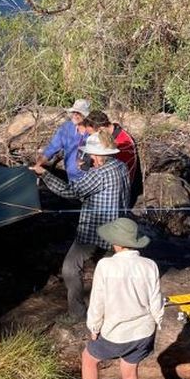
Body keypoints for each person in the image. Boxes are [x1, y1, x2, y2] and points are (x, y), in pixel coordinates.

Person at [32, 130, 130, 319]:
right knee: (111, 275)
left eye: (92, 154)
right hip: (118, 230)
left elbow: (69, 191)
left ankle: (77, 314)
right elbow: (100, 186)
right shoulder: (121, 166)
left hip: (94, 231)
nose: (90, 157)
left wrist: (44, 174)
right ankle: (112, 312)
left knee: (70, 268)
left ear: (99, 155)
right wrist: (87, 168)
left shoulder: (99, 174)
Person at [82, 217, 164, 379]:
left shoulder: (106, 265)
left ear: (116, 243)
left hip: (116, 332)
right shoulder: (150, 265)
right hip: (144, 332)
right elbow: (156, 300)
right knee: (129, 371)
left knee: (89, 359)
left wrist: (94, 327)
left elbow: (98, 300)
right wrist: (158, 323)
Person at [79, 111, 140, 193]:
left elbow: (125, 175)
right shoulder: (106, 137)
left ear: (101, 129)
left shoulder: (124, 142)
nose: (91, 136)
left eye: (92, 134)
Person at [40, 98, 91, 181]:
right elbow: (52, 147)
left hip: (90, 177)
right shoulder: (66, 128)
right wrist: (39, 163)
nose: (75, 115)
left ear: (85, 116)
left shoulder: (92, 130)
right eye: (74, 112)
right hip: (72, 177)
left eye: (78, 113)